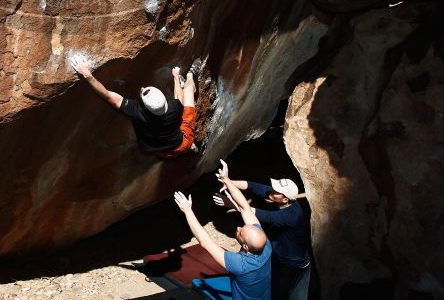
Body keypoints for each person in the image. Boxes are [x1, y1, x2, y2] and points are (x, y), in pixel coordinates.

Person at [173, 159, 272, 300]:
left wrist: (187, 210)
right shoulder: (265, 245)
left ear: (245, 246)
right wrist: (227, 181)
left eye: (241, 232)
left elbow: (205, 241)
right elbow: (245, 208)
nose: (238, 228)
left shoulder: (241, 265)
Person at [213, 165, 310, 300]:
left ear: (285, 199)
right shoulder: (280, 198)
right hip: (280, 255)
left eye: (277, 191)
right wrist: (228, 181)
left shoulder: (290, 217)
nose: (272, 190)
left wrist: (230, 203)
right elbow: (253, 186)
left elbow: (250, 211)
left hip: (292, 265)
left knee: (287, 294)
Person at [71, 58, 200, 159]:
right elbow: (179, 97)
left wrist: (88, 76)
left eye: (144, 92)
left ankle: (191, 147)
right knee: (188, 90)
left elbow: (107, 95)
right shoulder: (174, 107)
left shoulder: (136, 111)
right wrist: (176, 76)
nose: (143, 88)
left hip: (161, 151)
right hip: (182, 143)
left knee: (172, 149)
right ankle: (189, 76)